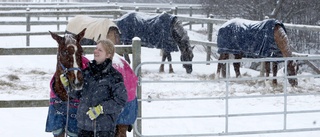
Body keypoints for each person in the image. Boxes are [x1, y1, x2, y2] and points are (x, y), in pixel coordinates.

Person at [62, 39, 128, 137]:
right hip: (83, 127)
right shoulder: (87, 72)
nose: (95, 51)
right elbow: (79, 94)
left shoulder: (114, 76)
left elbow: (120, 100)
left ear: (108, 55)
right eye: (96, 48)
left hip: (103, 129)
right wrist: (68, 87)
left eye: (100, 50)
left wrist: (101, 108)